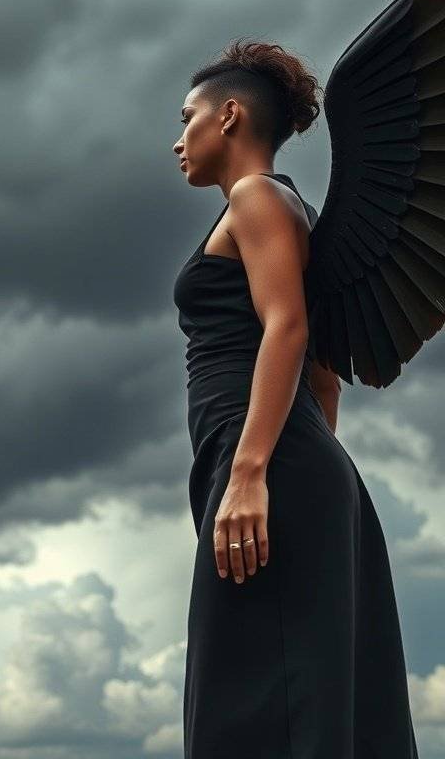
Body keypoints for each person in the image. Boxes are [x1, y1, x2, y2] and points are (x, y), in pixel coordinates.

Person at [172, 39, 419, 758]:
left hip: (268, 464)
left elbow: (289, 327)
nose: (177, 139)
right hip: (290, 463)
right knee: (293, 697)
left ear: (228, 115)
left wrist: (255, 472)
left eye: (187, 117)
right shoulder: (290, 211)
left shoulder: (256, 198)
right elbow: (322, 374)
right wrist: (308, 473)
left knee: (248, 704)